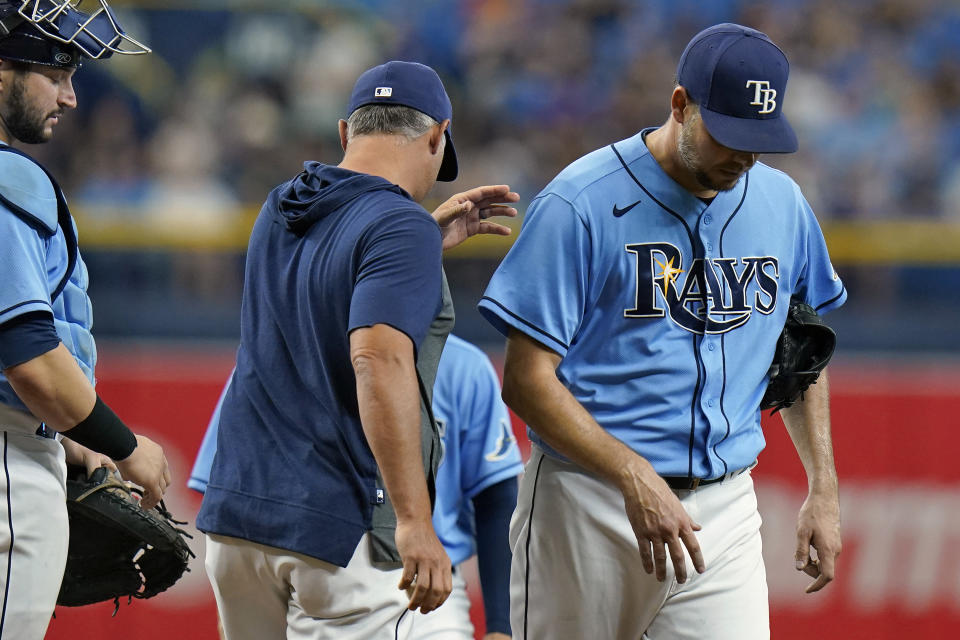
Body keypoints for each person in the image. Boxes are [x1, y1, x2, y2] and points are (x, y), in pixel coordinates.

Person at [478, 23, 847, 640]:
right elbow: (524, 378)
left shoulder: (781, 203)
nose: (744, 157)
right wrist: (628, 471)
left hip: (724, 508)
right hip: (588, 501)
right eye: (729, 135)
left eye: (761, 140)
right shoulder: (581, 202)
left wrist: (824, 488)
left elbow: (802, 355)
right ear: (680, 105)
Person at [195, 60, 519, 639]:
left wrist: (418, 252)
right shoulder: (399, 227)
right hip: (340, 531)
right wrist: (416, 521)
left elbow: (327, 297)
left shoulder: (278, 208)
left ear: (346, 132)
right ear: (436, 135)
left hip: (239, 522)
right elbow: (376, 357)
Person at [0, 2, 169, 638]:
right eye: (58, 73)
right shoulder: (9, 181)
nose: (72, 97)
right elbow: (30, 354)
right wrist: (124, 447)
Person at [189, 335, 522, 640]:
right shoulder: (277, 357)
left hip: (429, 592)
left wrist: (501, 627)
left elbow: (496, 500)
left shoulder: (462, 364)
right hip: (309, 584)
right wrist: (236, 602)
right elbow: (229, 488)